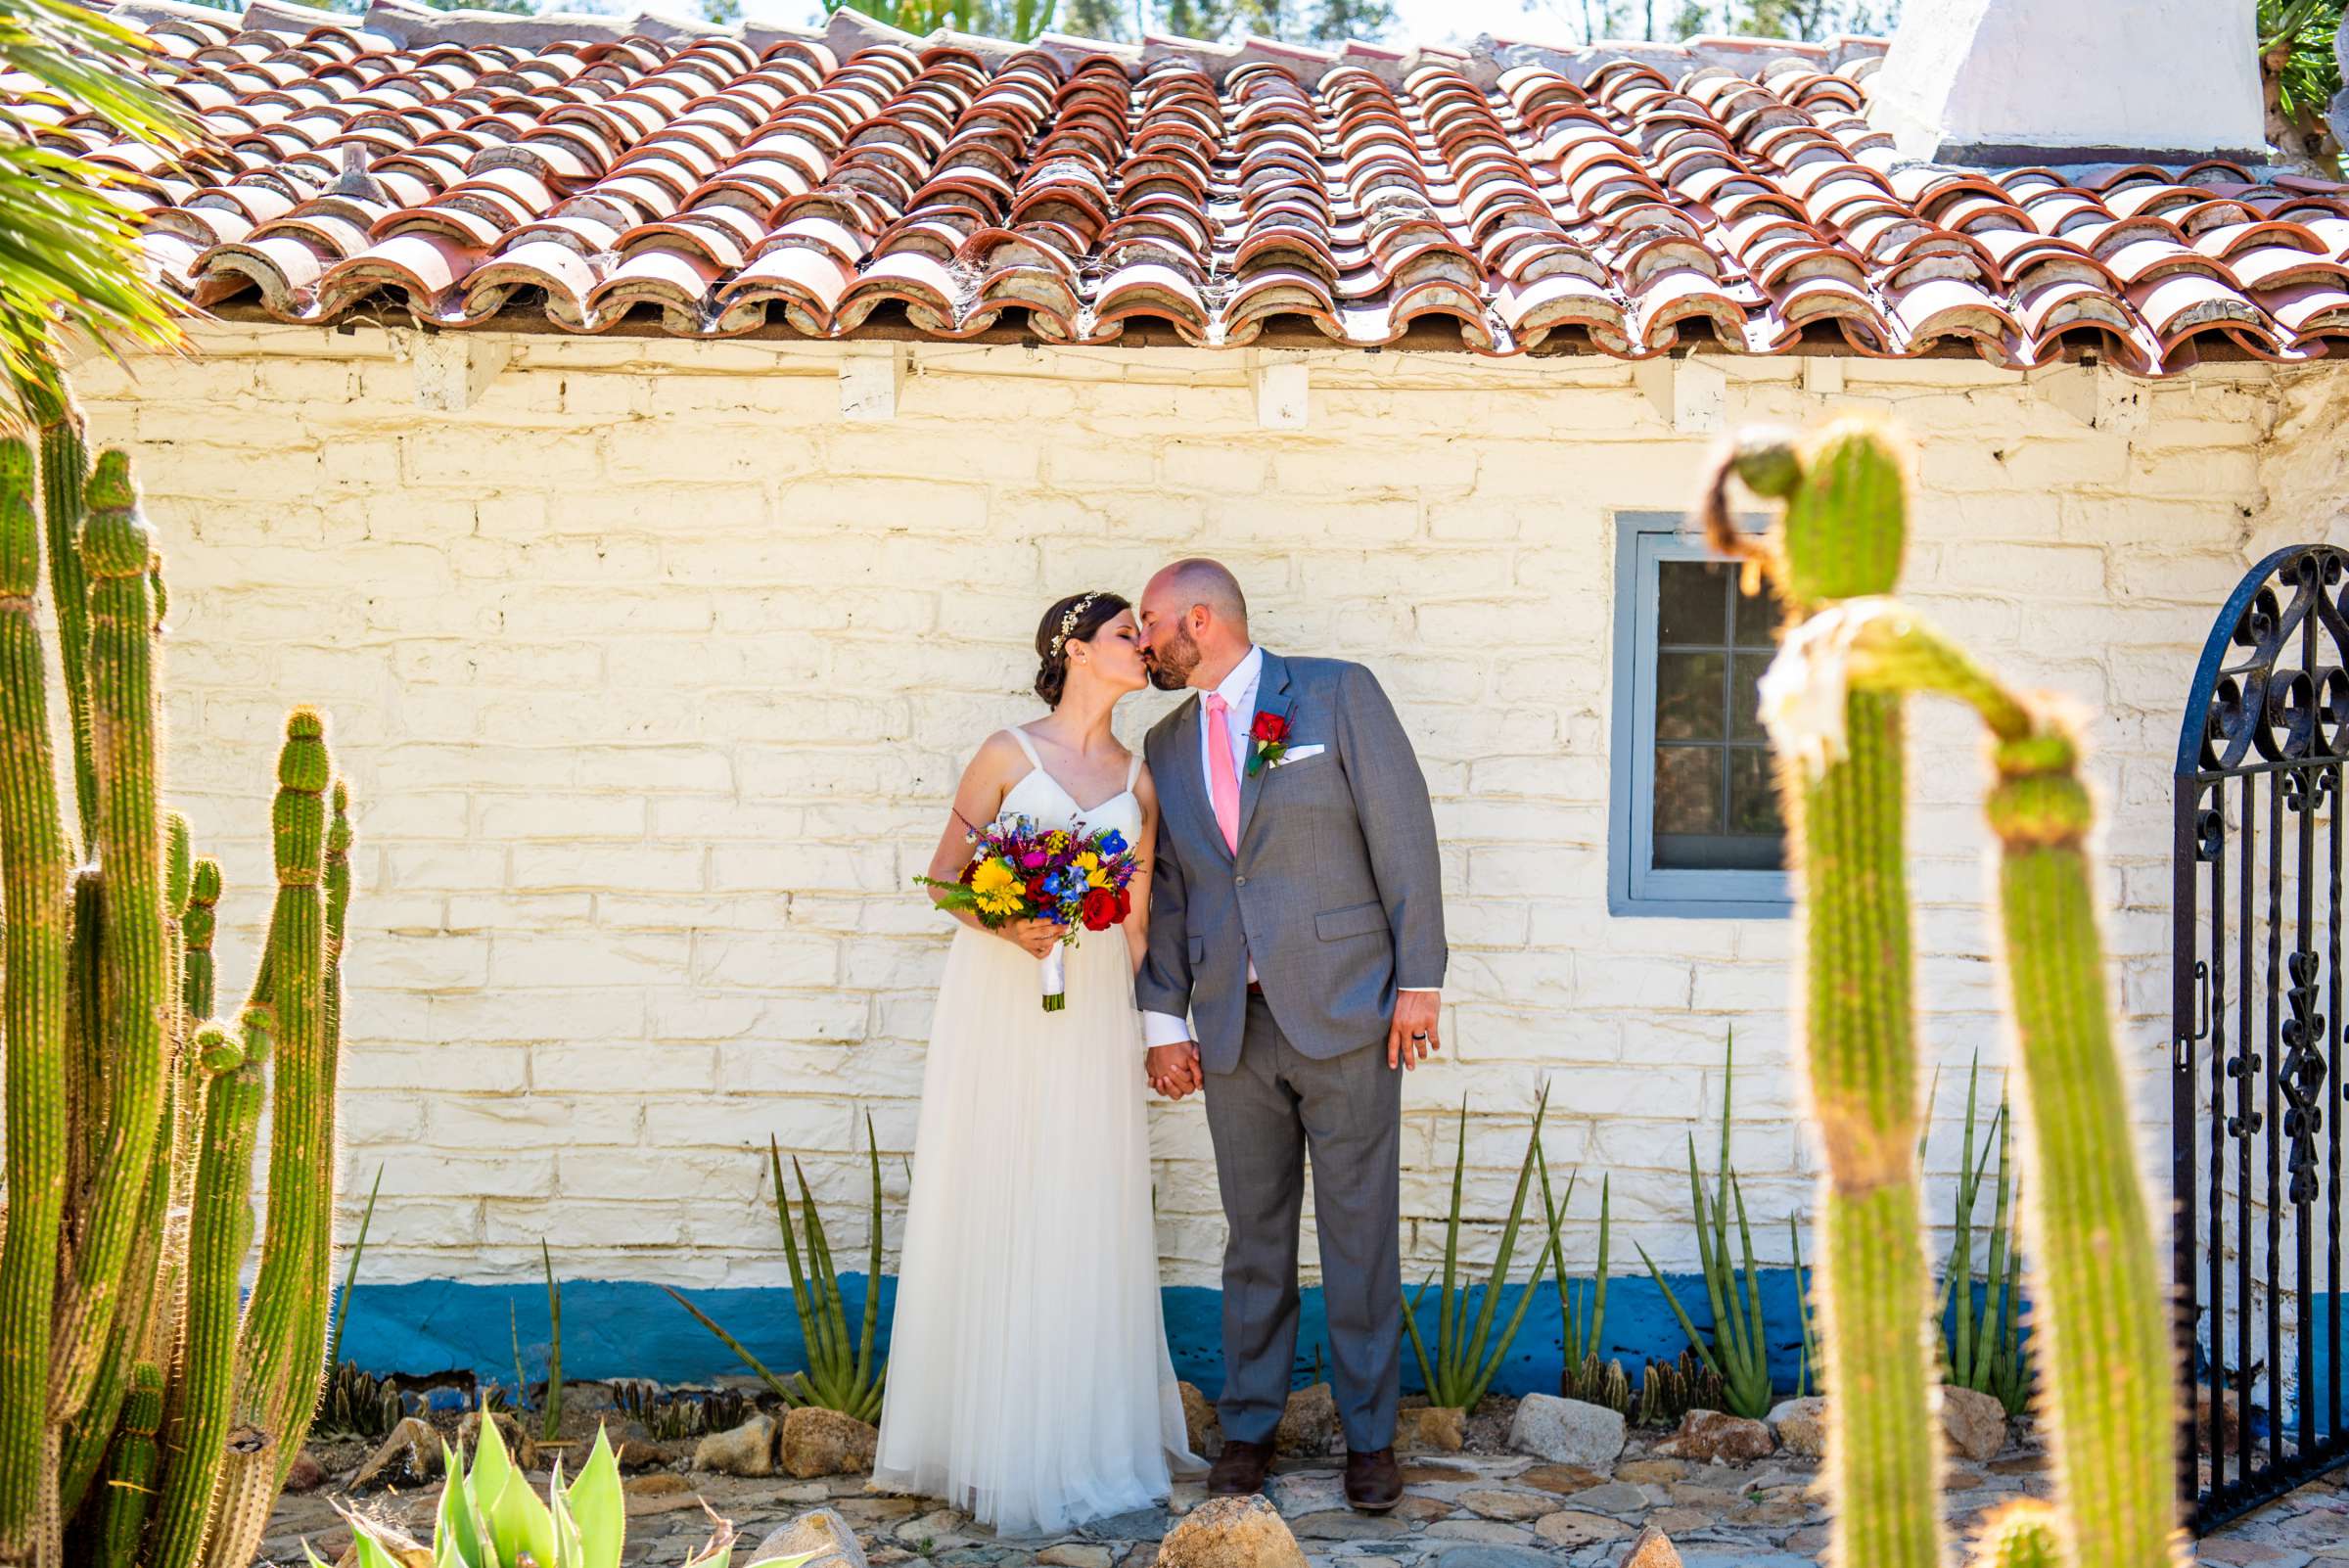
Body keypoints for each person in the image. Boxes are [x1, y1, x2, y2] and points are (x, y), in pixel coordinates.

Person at [873, 591, 1198, 1536]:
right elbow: (943, 877)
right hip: (1002, 1000)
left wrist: (1157, 1030)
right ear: (1076, 651)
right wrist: (1010, 922)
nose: (1145, 647)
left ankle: (1081, 1437)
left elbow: (1138, 925)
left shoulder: (1139, 780)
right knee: (1001, 1185)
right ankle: (985, 1438)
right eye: (1127, 636)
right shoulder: (1007, 755)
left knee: (1081, 1195)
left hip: (1090, 1008)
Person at [1134, 557, 1447, 1514]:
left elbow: (1404, 832)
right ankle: (1249, 1430)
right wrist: (1163, 1018)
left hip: (1350, 1012)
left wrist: (1420, 980)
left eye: (1149, 623)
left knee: (1359, 1239)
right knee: (1253, 1243)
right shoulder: (1166, 741)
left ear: (1198, 619)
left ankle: (1370, 1440)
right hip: (1232, 1028)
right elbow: (1180, 887)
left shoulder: (1334, 694)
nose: (1141, 641)